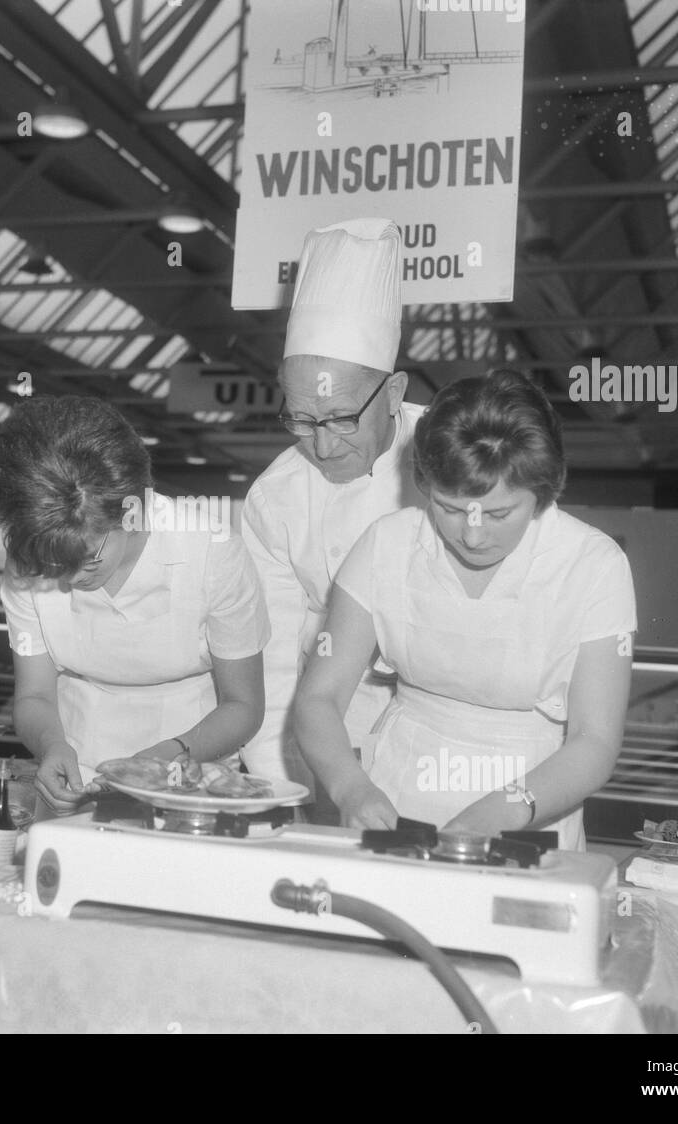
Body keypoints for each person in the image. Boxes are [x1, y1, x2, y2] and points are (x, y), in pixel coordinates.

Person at [293, 371, 636, 849]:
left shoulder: (593, 564)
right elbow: (319, 698)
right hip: (396, 788)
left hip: (532, 801)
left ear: (544, 493)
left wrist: (503, 811)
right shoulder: (385, 544)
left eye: (499, 514)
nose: (472, 536)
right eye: (449, 509)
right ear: (424, 483)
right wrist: (350, 787)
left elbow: (594, 740)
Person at [0, 396, 270, 814]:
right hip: (75, 772)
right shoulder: (29, 558)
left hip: (190, 770)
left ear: (132, 512)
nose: (69, 580)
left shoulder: (212, 552)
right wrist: (51, 745)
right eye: (54, 566)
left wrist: (172, 754)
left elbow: (243, 706)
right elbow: (35, 695)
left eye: (88, 559)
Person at [240, 218, 423, 805]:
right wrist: (278, 787)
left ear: (393, 393)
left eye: (341, 419)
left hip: (439, 737)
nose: (321, 445)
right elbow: (269, 659)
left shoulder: (459, 458)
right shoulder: (275, 497)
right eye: (300, 419)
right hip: (328, 742)